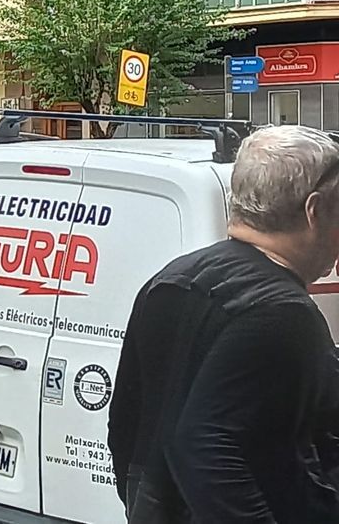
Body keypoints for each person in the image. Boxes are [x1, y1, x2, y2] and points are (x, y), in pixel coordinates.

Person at [108, 125, 339, 522]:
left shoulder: (173, 279)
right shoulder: (281, 311)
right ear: (314, 211)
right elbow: (202, 446)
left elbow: (125, 424)